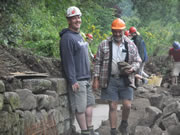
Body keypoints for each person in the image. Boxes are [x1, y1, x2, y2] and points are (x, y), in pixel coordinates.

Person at [93, 18, 142, 135]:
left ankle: (124, 123)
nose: (117, 34)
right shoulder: (104, 44)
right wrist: (96, 79)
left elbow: (138, 60)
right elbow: (98, 62)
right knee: (113, 106)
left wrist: (133, 68)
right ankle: (113, 130)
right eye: (115, 31)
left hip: (126, 79)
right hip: (110, 79)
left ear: (123, 31)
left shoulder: (131, 45)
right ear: (112, 30)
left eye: (119, 31)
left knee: (127, 105)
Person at [59, 6, 99, 135]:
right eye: (74, 18)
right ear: (69, 20)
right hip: (78, 80)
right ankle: (85, 132)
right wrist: (72, 80)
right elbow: (68, 60)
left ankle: (91, 130)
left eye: (78, 17)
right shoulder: (67, 38)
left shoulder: (79, 36)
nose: (77, 20)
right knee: (80, 109)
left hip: (86, 78)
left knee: (89, 106)